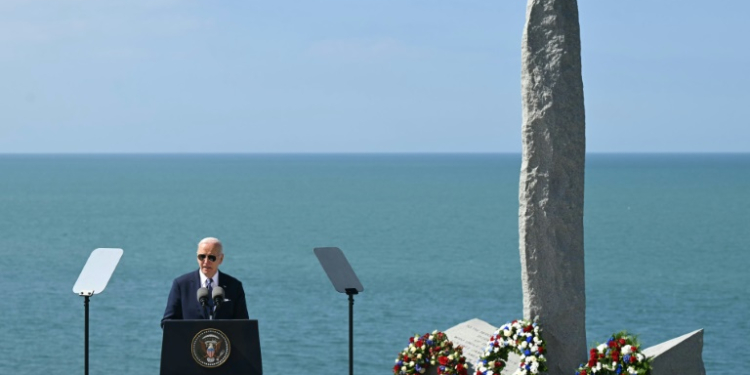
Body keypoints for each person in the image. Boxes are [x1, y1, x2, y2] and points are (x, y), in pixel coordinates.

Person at [162, 237, 249, 326]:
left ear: (221, 259)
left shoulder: (234, 286)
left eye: (211, 257)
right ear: (197, 257)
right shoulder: (181, 285)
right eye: (202, 257)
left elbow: (243, 324)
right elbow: (168, 322)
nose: (206, 262)